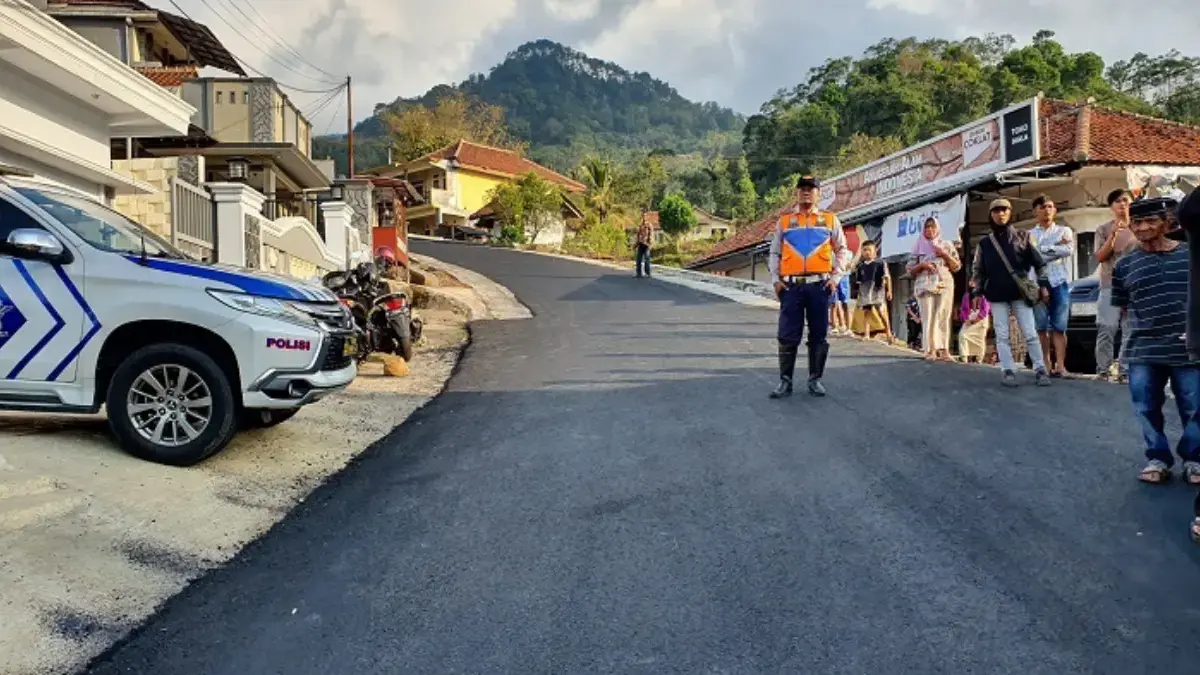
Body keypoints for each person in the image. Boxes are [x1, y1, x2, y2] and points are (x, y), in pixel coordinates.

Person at [1110, 197, 1199, 490]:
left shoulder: (1191, 255)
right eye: (1137, 223)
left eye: (1151, 221)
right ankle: (1158, 459)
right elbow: (1123, 309)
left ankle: (1194, 459)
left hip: (1187, 347)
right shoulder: (1124, 266)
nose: (1143, 228)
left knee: (1194, 406)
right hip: (1143, 349)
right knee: (1146, 406)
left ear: (1167, 222)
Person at [767, 175, 848, 399]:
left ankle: (815, 379)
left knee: (819, 334)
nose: (806, 192)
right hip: (791, 287)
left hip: (819, 286)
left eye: (811, 189)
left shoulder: (830, 220)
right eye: (802, 188)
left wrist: (836, 278)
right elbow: (775, 252)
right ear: (797, 192)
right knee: (787, 334)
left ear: (818, 194)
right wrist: (776, 278)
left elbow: (842, 249)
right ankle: (785, 381)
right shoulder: (785, 222)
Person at [969, 198, 1053, 387]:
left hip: (1020, 293)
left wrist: (1043, 285)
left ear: (1010, 212)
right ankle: (1007, 370)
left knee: (1030, 333)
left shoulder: (1023, 236)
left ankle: (1040, 369)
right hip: (996, 295)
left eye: (1004, 210)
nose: (1001, 214)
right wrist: (976, 293)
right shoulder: (984, 244)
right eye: (996, 210)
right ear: (991, 215)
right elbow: (978, 270)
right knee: (1002, 334)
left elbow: (1040, 263)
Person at [1094, 189, 1138, 381]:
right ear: (1111, 206)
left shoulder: (1140, 227)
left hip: (1135, 285)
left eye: (1126, 200)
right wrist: (1113, 235)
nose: (1122, 204)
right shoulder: (1103, 229)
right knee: (1107, 328)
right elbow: (1100, 256)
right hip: (1110, 284)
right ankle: (1103, 369)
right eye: (1118, 201)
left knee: (1130, 328)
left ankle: (1125, 370)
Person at [1028, 195, 1074, 377]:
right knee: (1040, 327)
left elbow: (1068, 250)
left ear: (1054, 210)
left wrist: (1043, 249)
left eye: (1049, 206)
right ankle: (1046, 365)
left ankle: (1061, 366)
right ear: (1035, 211)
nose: (1046, 210)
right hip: (1037, 282)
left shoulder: (1064, 230)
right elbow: (1031, 257)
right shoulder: (1029, 234)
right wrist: (1054, 247)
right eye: (1042, 207)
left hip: (1059, 282)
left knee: (1060, 327)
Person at [907, 217, 960, 361]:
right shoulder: (918, 246)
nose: (929, 230)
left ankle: (944, 350)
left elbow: (956, 266)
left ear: (938, 228)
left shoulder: (946, 244)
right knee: (928, 315)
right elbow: (910, 269)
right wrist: (923, 266)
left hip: (944, 282)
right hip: (925, 283)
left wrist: (944, 254)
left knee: (943, 314)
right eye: (926, 227)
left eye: (932, 227)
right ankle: (930, 350)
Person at [853, 241, 892, 342]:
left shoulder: (880, 263)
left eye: (869, 250)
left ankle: (889, 333)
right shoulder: (860, 266)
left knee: (881, 312)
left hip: (878, 292)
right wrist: (857, 293)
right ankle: (866, 334)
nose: (867, 252)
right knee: (867, 312)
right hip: (865, 292)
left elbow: (887, 277)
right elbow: (858, 281)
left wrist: (889, 291)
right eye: (864, 250)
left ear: (875, 251)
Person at [958, 292, 991, 363]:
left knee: (980, 339)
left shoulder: (985, 295)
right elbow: (963, 309)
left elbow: (985, 309)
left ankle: (979, 359)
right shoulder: (966, 295)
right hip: (970, 317)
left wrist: (976, 319)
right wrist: (965, 319)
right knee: (963, 335)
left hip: (981, 320)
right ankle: (964, 357)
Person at [634, 212, 654, 278]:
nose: (644, 217)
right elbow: (638, 235)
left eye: (645, 216)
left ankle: (648, 273)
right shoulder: (640, 225)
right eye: (643, 216)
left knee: (647, 259)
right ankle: (639, 273)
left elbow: (651, 234)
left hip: (646, 244)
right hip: (640, 244)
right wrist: (635, 245)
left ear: (647, 217)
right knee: (638, 259)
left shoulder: (649, 225)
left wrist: (650, 244)